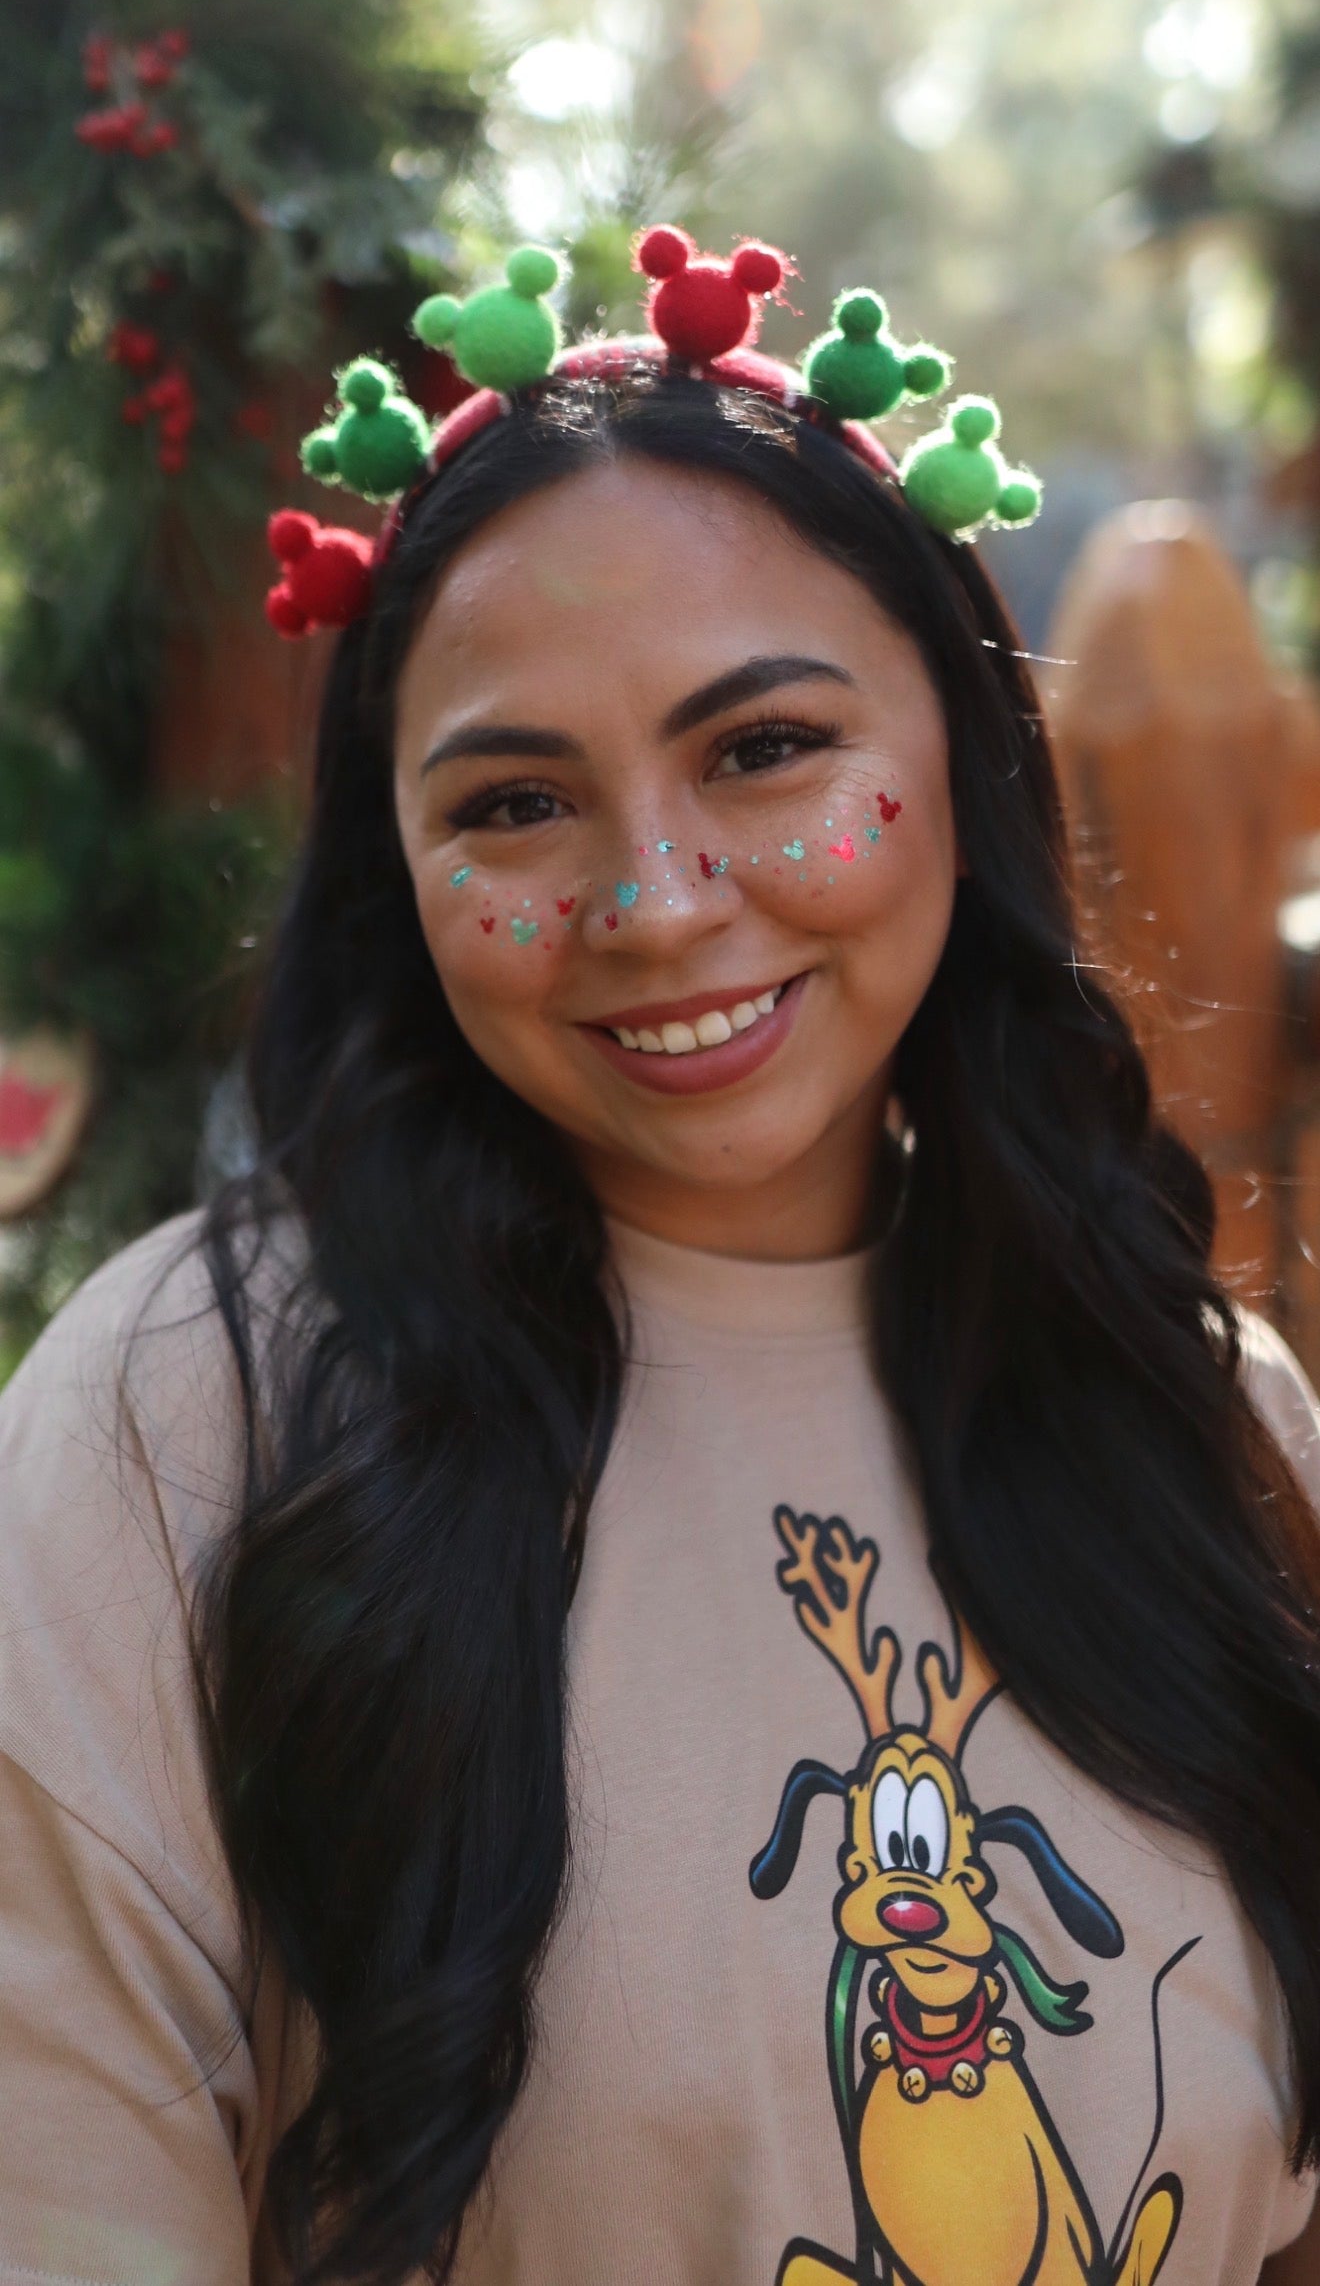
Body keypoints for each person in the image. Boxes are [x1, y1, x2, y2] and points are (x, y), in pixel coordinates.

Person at [2, 226, 1319, 2286]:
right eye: (519, 799)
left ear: (957, 762)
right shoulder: (186, 1415)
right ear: (401, 873)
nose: (657, 896)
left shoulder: (1211, 1413)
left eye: (765, 747)